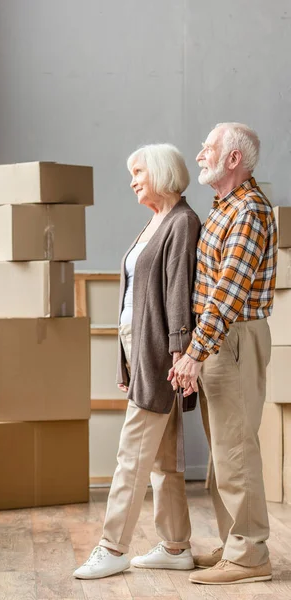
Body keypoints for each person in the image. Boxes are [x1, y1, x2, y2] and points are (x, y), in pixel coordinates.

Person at [73, 143, 201, 580]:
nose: (132, 181)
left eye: (138, 172)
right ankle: (176, 544)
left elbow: (177, 292)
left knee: (132, 454)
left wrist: (181, 352)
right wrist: (126, 363)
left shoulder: (182, 222)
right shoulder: (155, 221)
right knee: (164, 456)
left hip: (161, 354)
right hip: (140, 349)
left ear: (162, 172)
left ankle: (112, 546)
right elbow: (134, 300)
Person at [169, 123, 277, 586]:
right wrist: (196, 350)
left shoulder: (248, 210)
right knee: (223, 452)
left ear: (234, 159)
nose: (199, 156)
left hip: (232, 339)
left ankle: (251, 554)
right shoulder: (224, 207)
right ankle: (237, 542)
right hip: (220, 340)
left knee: (236, 448)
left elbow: (228, 292)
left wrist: (195, 353)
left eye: (208, 149)